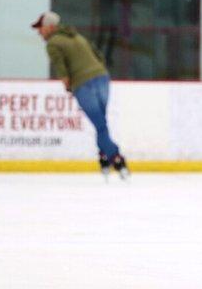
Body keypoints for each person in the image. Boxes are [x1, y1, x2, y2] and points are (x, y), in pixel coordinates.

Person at [31, 11, 129, 180]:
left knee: (100, 125)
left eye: (41, 28)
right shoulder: (77, 36)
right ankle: (104, 156)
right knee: (101, 124)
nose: (39, 32)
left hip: (84, 85)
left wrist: (69, 87)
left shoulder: (53, 43)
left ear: (51, 27)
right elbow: (98, 55)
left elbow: (62, 72)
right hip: (102, 78)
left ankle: (116, 158)